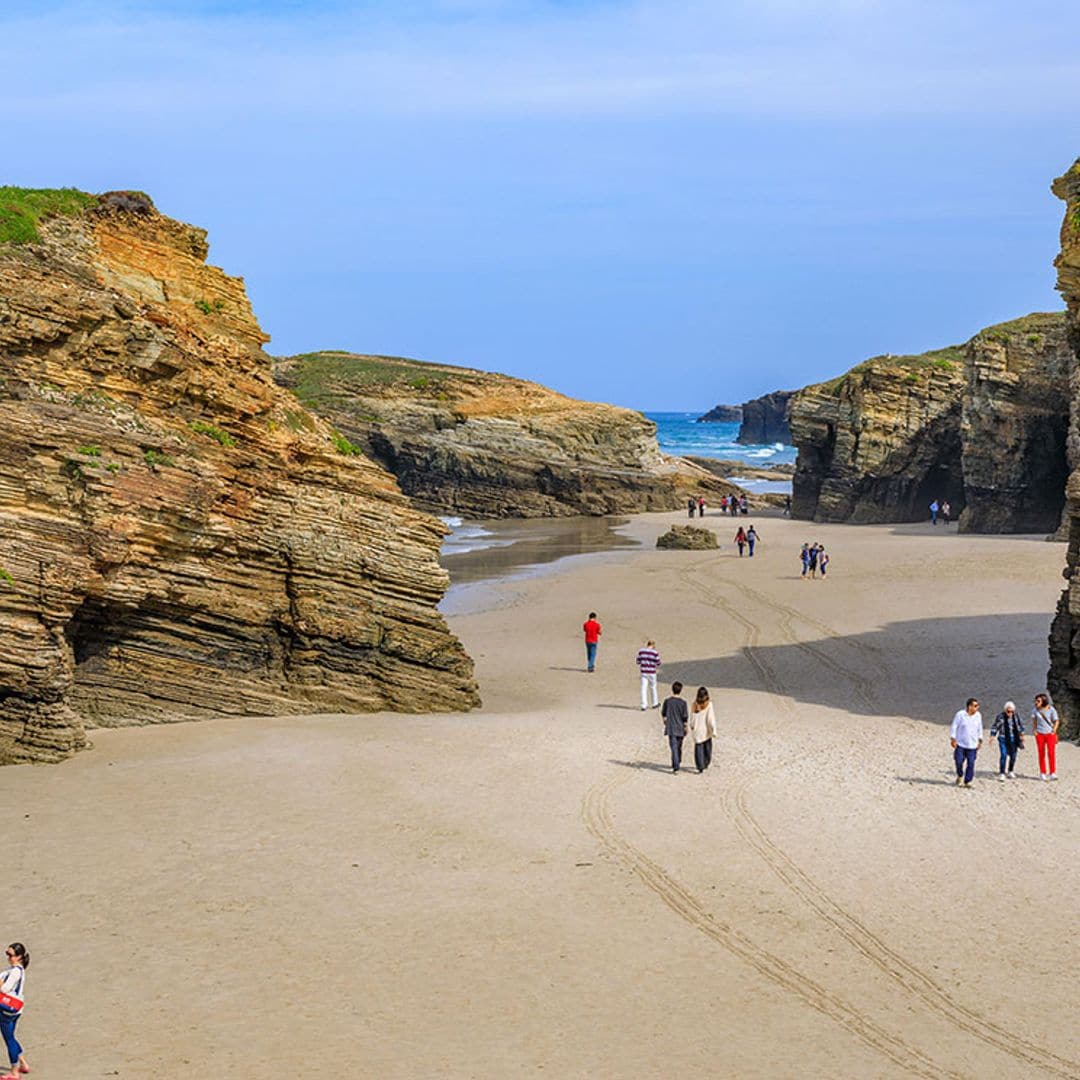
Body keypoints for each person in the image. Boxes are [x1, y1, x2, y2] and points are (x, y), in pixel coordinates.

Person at [0, 943, 29, 1080]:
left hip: (7, 1010)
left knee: (9, 1039)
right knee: (11, 1037)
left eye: (10, 955)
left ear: (19, 957)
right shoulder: (18, 970)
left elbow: (4, 989)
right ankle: (23, 1063)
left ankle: (14, 1071)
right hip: (16, 1009)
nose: (8, 958)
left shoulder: (15, 972)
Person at [950, 697, 983, 787]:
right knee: (959, 761)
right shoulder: (960, 714)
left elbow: (979, 728)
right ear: (969, 706)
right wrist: (953, 738)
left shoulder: (978, 715)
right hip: (961, 743)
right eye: (975, 706)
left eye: (977, 706)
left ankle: (967, 781)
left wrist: (980, 740)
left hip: (972, 744)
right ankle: (960, 775)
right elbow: (954, 726)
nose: (977, 707)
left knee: (971, 763)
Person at [989, 701, 1024, 781]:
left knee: (1013, 756)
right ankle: (1002, 772)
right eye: (1008, 711)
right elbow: (995, 726)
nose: (1010, 713)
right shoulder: (1000, 717)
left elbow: (1020, 726)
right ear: (1005, 710)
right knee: (1003, 755)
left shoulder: (1016, 717)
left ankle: (1010, 770)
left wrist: (1022, 735)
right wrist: (992, 736)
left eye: (1012, 711)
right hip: (1003, 738)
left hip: (1014, 739)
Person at [661, 681, 688, 773]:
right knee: (678, 746)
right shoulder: (683, 703)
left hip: (671, 728)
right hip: (680, 728)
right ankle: (677, 761)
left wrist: (665, 720)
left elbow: (663, 713)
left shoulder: (667, 701)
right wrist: (685, 727)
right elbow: (685, 717)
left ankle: (676, 765)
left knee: (674, 747)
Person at [1031, 693, 1060, 780]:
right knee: (1041, 753)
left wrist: (1053, 731)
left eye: (1038, 701)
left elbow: (1056, 721)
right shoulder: (1035, 710)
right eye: (1036, 700)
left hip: (1049, 734)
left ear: (1044, 701)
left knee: (1051, 753)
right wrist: (1035, 731)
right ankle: (1042, 772)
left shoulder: (1051, 709)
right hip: (1040, 734)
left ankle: (1052, 772)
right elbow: (1034, 721)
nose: (1036, 702)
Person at [689, 686, 717, 773]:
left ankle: (700, 766)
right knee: (707, 747)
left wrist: (692, 725)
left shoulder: (694, 704)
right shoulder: (709, 705)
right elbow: (710, 719)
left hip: (697, 729)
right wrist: (713, 730)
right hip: (706, 730)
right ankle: (706, 762)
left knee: (698, 748)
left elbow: (692, 717)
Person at [635, 639, 661, 711]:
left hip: (644, 672)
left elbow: (637, 661)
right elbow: (658, 663)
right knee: (653, 687)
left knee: (643, 688)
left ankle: (644, 705)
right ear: (653, 645)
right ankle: (654, 703)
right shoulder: (655, 653)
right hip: (652, 672)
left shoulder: (641, 651)